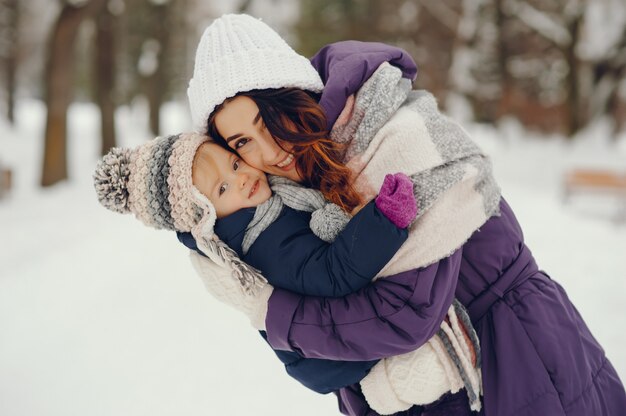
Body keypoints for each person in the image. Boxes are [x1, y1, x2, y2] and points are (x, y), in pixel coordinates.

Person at [179, 13, 626, 416]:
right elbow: (318, 371)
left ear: (294, 94)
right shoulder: (286, 193)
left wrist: (270, 313)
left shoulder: (394, 134)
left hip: (517, 356)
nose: (270, 150)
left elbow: (405, 313)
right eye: (241, 144)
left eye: (269, 120)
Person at [94, 131, 480, 414]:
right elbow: (331, 275)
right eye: (223, 187)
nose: (242, 177)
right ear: (205, 218)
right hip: (340, 359)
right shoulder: (261, 243)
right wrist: (384, 219)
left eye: (234, 163)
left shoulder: (267, 203)